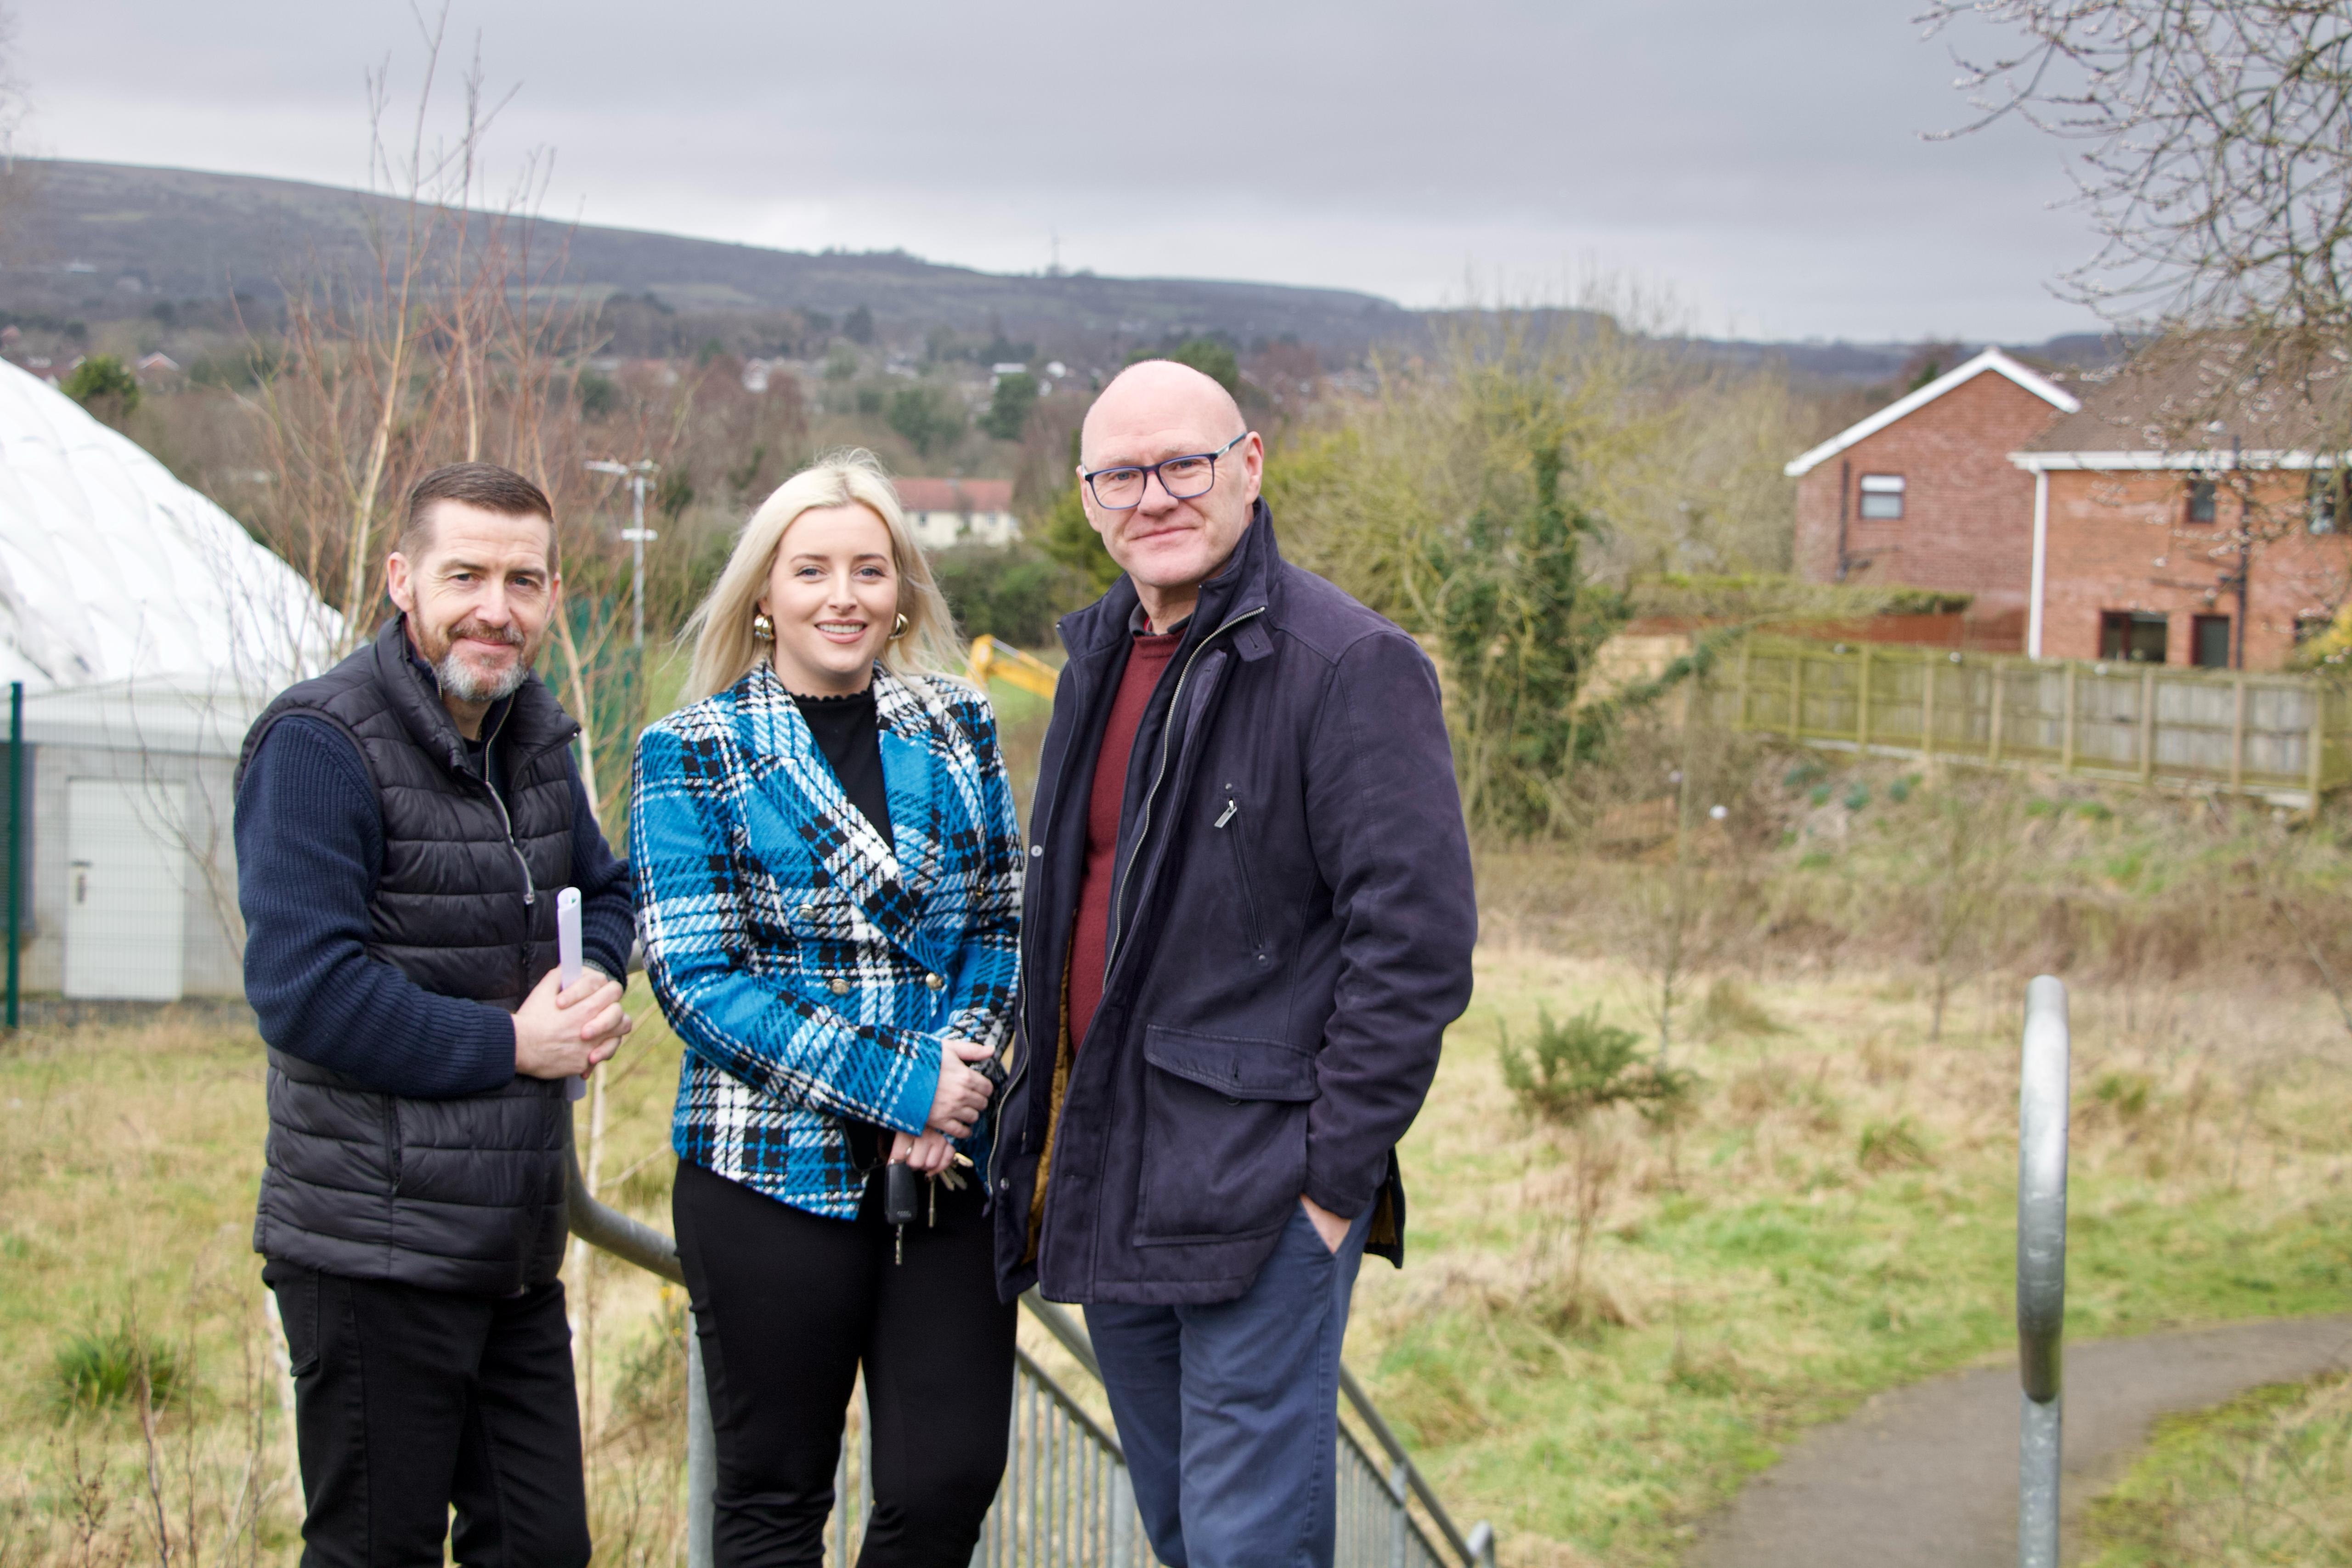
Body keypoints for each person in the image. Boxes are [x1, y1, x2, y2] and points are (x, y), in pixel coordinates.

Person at [990, 362, 1477, 1568]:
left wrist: (1329, 1181)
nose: (1153, 495)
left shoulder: (1346, 663)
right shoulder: (1097, 657)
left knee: (1247, 1539)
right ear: (1090, 495)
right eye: (1121, 473)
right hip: (1113, 1161)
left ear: (1249, 466)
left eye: (1183, 464)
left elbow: (1413, 944)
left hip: (1263, 1181)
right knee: (1180, 1524)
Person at [233, 461, 636, 1568]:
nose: (495, 608)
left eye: (524, 579)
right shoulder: (320, 743)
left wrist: (589, 980)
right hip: (373, 1247)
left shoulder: (535, 737)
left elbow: (603, 889)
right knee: (377, 1552)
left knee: (543, 1548)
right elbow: (306, 993)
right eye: (466, 574)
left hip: (510, 1243)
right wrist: (516, 1041)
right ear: (402, 579)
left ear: (553, 596)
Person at [632, 451, 1023, 1568]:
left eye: (871, 569)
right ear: (764, 593)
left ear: (902, 591)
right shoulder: (692, 751)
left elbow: (1003, 926)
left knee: (946, 1482)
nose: (843, 596)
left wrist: (956, 1089)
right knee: (773, 1496)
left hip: (945, 1165)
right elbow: (699, 984)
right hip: (768, 1169)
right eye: (812, 570)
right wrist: (902, 1082)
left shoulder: (958, 725)